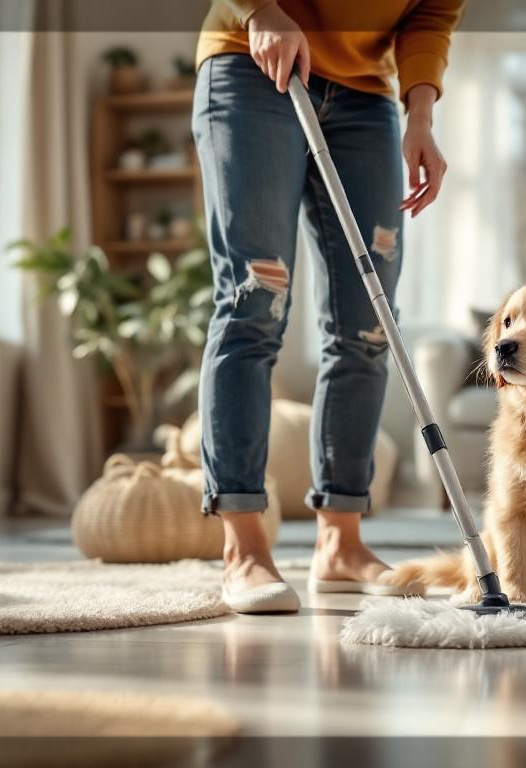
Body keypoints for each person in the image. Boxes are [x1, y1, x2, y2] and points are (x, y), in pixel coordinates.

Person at [193, 0, 464, 613]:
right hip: (252, 63)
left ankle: (340, 543)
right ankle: (243, 549)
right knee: (254, 301)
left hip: (366, 96)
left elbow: (430, 15)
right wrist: (258, 9)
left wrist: (420, 111)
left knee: (368, 327)